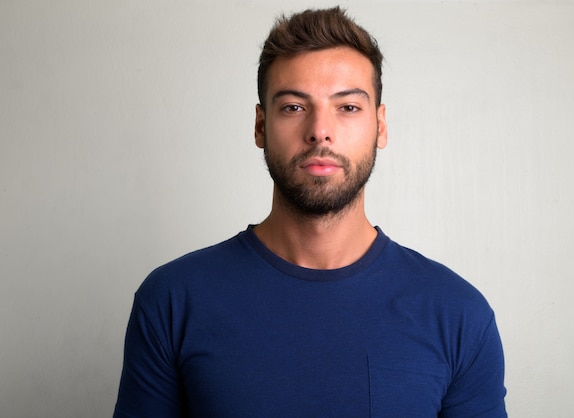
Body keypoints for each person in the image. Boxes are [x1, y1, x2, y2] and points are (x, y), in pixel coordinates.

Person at [113, 6, 507, 418]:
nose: (320, 129)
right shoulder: (173, 301)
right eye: (294, 107)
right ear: (260, 126)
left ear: (381, 125)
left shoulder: (457, 314)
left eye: (348, 107)